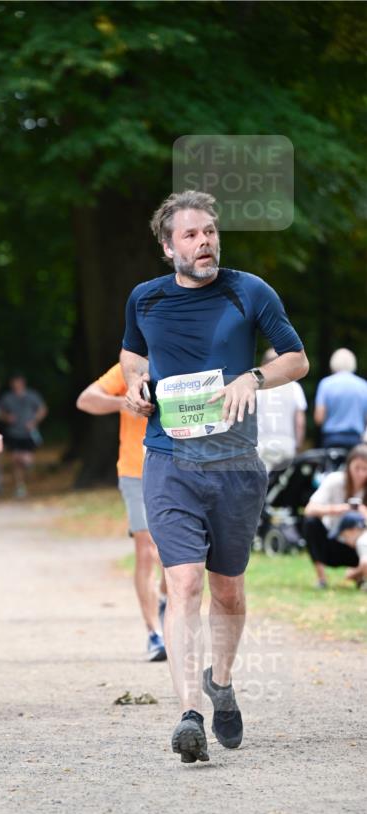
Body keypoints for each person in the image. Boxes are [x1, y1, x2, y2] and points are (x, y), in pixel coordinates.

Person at [120, 190, 308, 764]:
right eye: (191, 235)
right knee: (184, 586)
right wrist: (135, 387)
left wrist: (254, 375)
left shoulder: (248, 290)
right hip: (168, 462)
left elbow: (296, 358)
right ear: (166, 245)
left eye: (210, 232)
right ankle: (188, 713)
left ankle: (220, 681)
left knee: (227, 589)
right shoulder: (145, 299)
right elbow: (133, 358)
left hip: (235, 467)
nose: (205, 243)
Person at [76, 363, 167, 661]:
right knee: (146, 549)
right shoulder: (132, 366)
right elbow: (86, 399)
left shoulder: (183, 355)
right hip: (135, 469)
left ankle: (167, 601)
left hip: (177, 467)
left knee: (172, 553)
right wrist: (123, 402)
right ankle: (154, 633)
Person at [303, 443, 367, 589]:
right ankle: (322, 578)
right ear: (349, 465)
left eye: (365, 469)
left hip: (360, 542)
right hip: (333, 541)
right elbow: (309, 509)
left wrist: (363, 513)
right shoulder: (335, 480)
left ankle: (359, 574)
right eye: (357, 468)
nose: (360, 474)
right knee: (310, 522)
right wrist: (340, 509)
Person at [256, 347, 307, 473]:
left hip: (261, 444)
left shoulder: (256, 387)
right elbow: (300, 422)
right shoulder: (295, 387)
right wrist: (298, 445)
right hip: (287, 444)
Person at [0, 374, 47, 497]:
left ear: (23, 383)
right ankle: (20, 486)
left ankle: (27, 480)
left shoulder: (32, 396)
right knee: (15, 459)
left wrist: (34, 421)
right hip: (14, 433)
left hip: (28, 433)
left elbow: (42, 409)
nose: (16, 384)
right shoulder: (7, 397)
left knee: (26, 460)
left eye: (18, 382)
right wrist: (7, 418)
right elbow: (0, 412)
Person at [314, 349, 367, 449]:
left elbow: (319, 418)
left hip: (332, 439)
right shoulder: (363, 385)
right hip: (356, 440)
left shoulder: (326, 384)